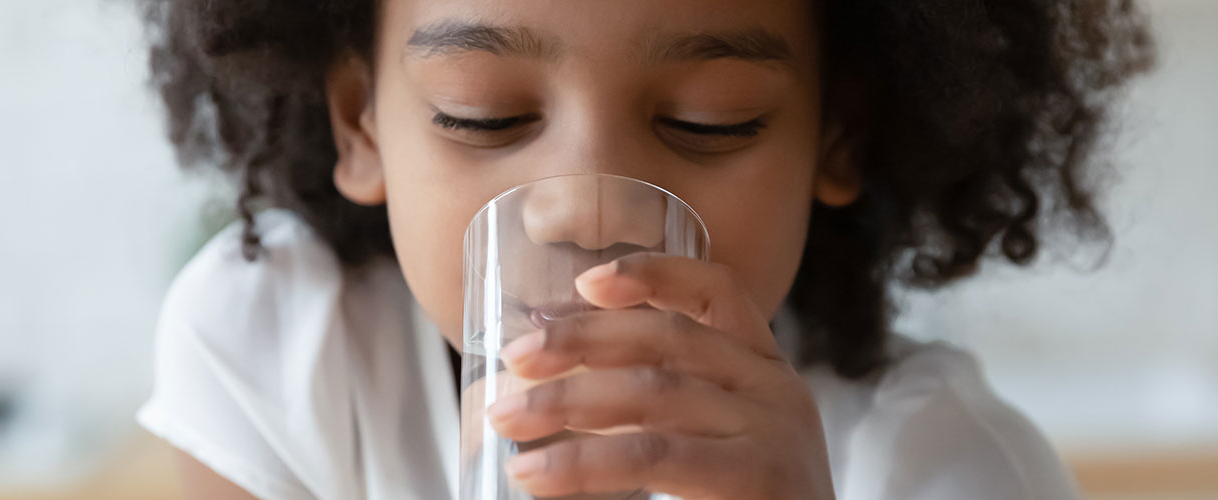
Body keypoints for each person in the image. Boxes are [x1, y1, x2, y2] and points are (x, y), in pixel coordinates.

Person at [135, 0, 1155, 498]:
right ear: (361, 124)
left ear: (833, 132)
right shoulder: (276, 347)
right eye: (482, 116)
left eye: (708, 122)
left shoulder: (943, 464)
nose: (584, 209)